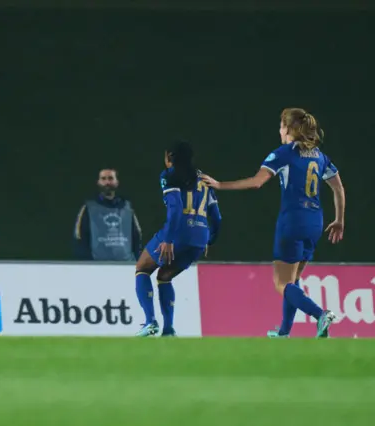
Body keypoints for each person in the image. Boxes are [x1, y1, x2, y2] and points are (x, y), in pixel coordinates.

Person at [201, 108, 345, 338]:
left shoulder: (284, 153)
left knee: (281, 283)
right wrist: (339, 220)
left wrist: (220, 185)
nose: (279, 130)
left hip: (293, 221)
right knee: (293, 279)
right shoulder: (319, 155)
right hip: (315, 222)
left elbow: (257, 182)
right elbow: (338, 187)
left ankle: (321, 314)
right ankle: (284, 331)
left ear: (288, 129)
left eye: (281, 126)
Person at [135, 141, 222, 337]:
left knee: (142, 268)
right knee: (164, 276)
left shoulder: (170, 175)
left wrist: (167, 239)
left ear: (169, 158)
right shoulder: (204, 179)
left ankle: (150, 322)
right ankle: (168, 329)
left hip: (178, 234)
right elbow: (216, 217)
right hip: (199, 238)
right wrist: (209, 240)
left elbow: (174, 210)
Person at [73, 168, 142, 261]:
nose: (107, 182)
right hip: (97, 264)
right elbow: (80, 236)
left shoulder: (127, 208)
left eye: (110, 178)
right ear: (98, 182)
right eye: (103, 178)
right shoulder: (89, 208)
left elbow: (137, 235)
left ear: (117, 182)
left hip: (125, 264)